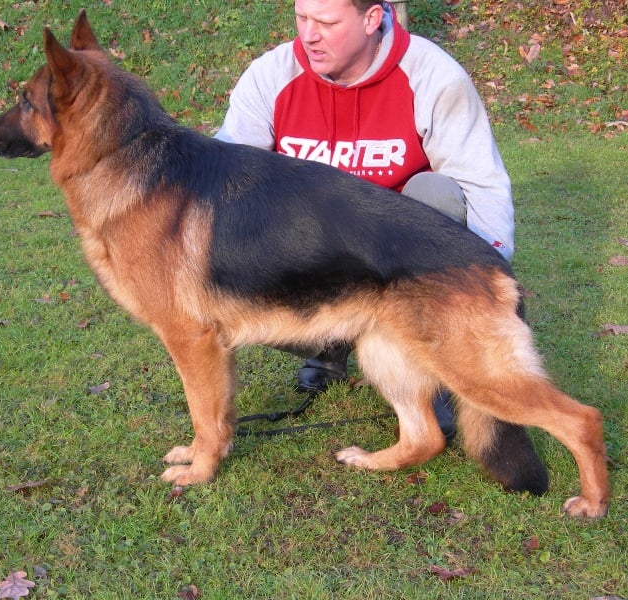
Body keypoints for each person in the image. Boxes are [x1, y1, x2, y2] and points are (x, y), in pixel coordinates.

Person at [215, 0, 515, 442]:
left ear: (372, 18)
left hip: (398, 265)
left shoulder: (432, 73)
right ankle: (328, 347)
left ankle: (431, 364)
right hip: (313, 265)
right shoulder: (270, 75)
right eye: (302, 19)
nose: (309, 35)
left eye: (327, 23)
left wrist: (491, 279)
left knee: (438, 195)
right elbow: (225, 180)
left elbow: (480, 182)